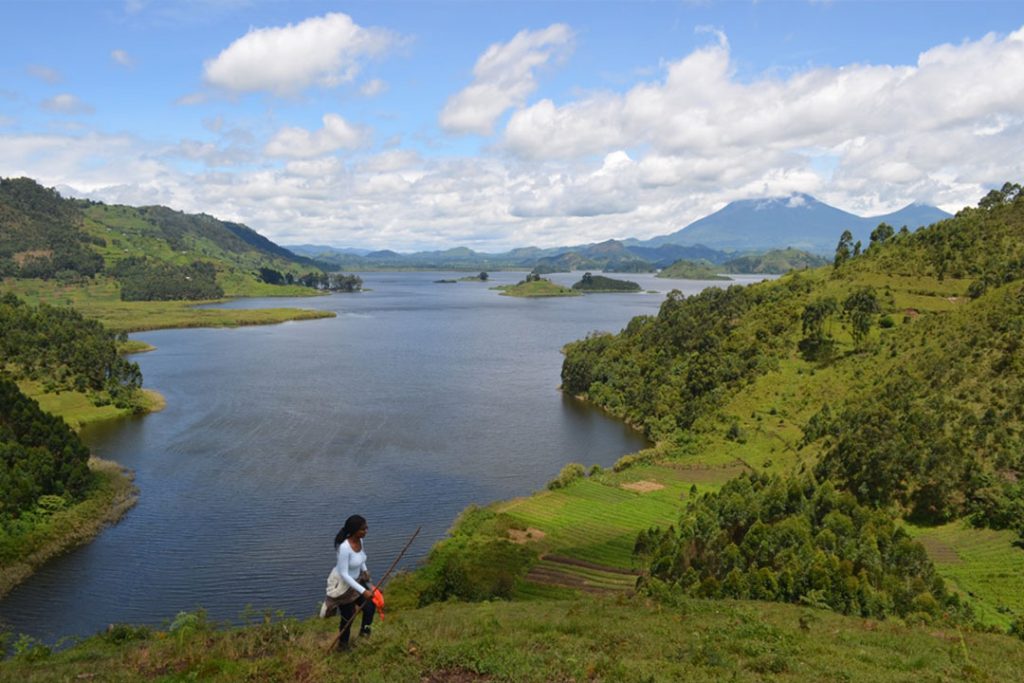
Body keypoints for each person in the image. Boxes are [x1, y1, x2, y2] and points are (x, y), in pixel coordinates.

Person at [331, 514, 376, 650]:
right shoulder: (344, 548)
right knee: (348, 616)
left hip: (356, 581)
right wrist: (364, 591)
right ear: (355, 530)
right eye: (363, 529)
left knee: (369, 607)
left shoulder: (360, 541)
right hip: (344, 586)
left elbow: (361, 559)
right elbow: (344, 574)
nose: (366, 531)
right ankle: (343, 646)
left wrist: (365, 571)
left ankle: (364, 636)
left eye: (366, 528)